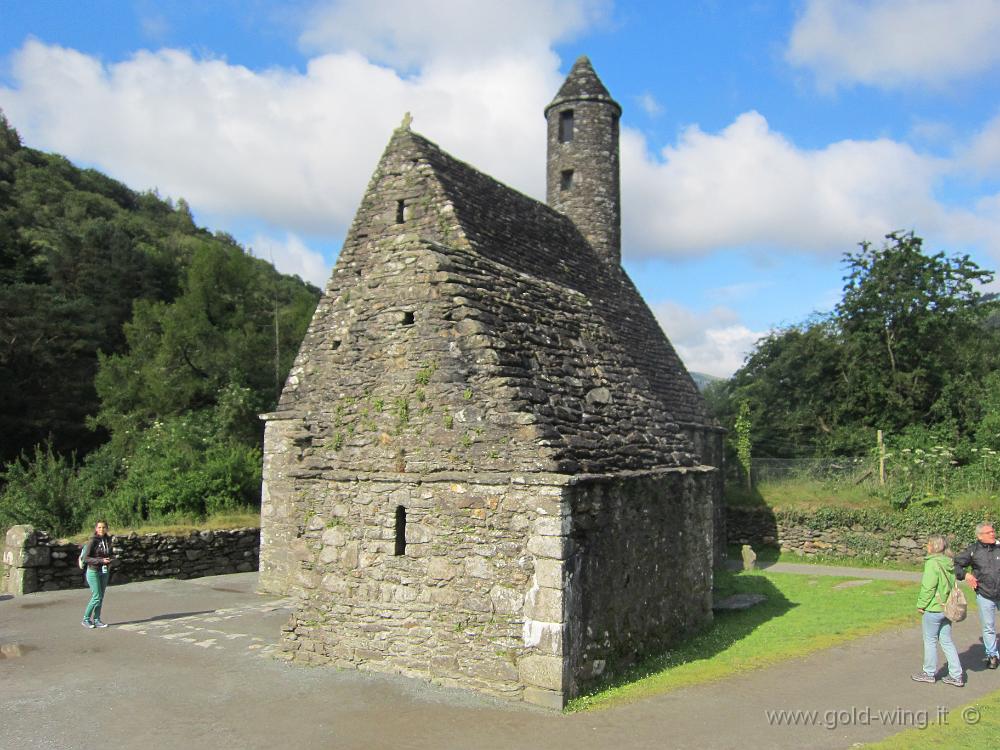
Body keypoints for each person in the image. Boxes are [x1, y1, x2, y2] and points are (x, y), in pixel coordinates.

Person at [912, 535, 964, 686]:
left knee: (930, 640)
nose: (926, 546)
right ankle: (956, 675)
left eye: (928, 544)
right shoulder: (949, 562)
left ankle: (928, 672)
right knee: (946, 641)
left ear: (934, 546)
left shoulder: (932, 563)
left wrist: (921, 604)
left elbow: (928, 587)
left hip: (934, 607)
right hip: (947, 607)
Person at [954, 521, 1000, 669]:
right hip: (985, 594)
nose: (993, 534)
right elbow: (954, 565)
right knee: (988, 626)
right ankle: (992, 655)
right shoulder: (973, 550)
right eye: (989, 532)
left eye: (993, 531)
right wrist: (965, 575)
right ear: (980, 536)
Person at [81, 520, 114, 629]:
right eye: (99, 527)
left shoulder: (108, 540)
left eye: (104, 527)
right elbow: (86, 558)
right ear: (96, 529)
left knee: (101, 596)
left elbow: (109, 554)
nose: (101, 529)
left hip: (104, 571)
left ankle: (97, 619)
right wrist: (101, 561)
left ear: (107, 528)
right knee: (97, 596)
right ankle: (86, 619)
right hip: (93, 571)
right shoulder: (92, 541)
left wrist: (110, 560)